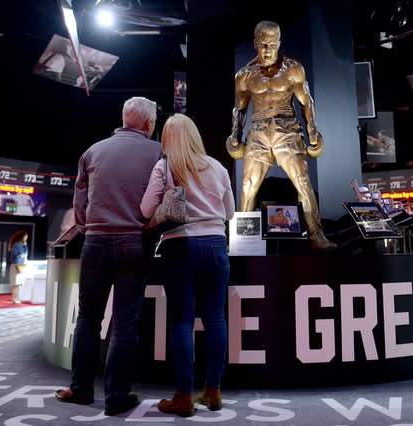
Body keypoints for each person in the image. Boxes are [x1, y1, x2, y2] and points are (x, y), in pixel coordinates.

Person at [55, 96, 161, 416]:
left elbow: (79, 204)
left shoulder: (93, 151)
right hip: (134, 242)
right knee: (125, 322)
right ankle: (117, 396)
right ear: (148, 123)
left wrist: (91, 228)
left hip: (96, 241)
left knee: (87, 318)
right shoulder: (158, 153)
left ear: (125, 118)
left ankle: (81, 388)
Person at [140, 113, 234, 417]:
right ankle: (213, 390)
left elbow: (144, 209)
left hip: (179, 245)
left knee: (182, 321)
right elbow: (230, 212)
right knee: (216, 318)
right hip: (217, 245)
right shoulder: (218, 167)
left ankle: (183, 395)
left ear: (166, 138)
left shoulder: (164, 166)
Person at [226, 20, 336, 251]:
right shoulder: (244, 75)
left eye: (273, 45)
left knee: (302, 181)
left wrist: (312, 132)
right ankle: (241, 243)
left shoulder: (293, 69)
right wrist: (235, 135)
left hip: (286, 129)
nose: (268, 51)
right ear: (256, 43)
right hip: (258, 131)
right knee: (248, 185)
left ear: (279, 43)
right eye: (264, 45)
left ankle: (317, 236)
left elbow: (307, 102)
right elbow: (240, 108)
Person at [8, 230, 28, 304]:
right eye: (25, 237)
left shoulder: (19, 244)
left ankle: (15, 299)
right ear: (22, 237)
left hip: (17, 265)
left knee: (16, 284)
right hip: (17, 265)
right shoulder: (18, 244)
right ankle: (14, 299)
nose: (26, 238)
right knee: (16, 284)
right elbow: (20, 254)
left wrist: (25, 246)